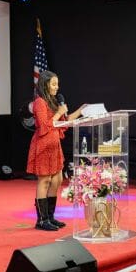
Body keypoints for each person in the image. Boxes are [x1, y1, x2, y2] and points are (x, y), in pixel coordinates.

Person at [26, 70, 85, 231]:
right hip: (43, 145)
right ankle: (42, 220)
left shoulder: (52, 101)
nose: (56, 87)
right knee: (44, 180)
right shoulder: (39, 102)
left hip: (54, 146)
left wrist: (80, 110)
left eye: (57, 84)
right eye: (53, 84)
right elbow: (44, 126)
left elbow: (62, 122)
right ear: (45, 85)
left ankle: (50, 216)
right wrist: (59, 113)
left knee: (58, 180)